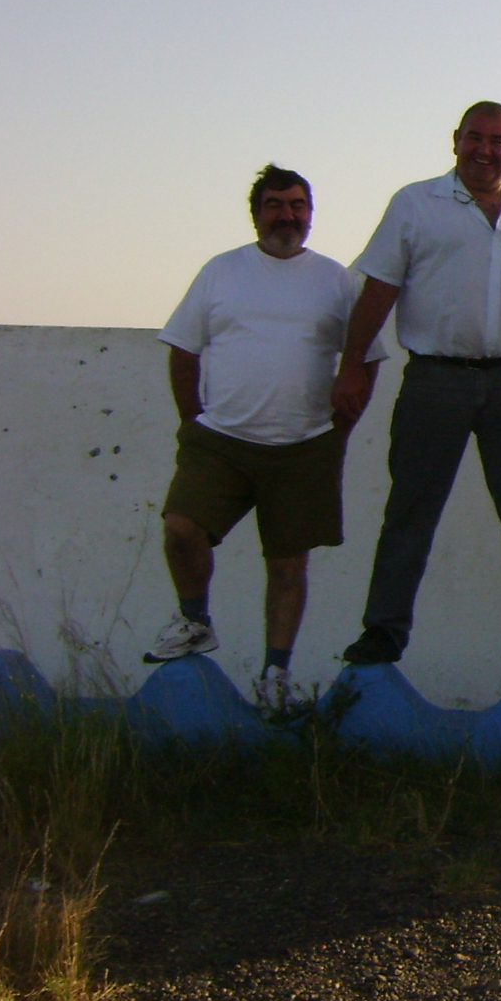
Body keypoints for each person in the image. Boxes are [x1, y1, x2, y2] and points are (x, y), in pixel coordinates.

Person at [331, 101, 501, 666]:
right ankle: (383, 632)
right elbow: (378, 291)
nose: (485, 150)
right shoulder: (415, 205)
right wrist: (349, 366)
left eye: (498, 141)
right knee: (411, 513)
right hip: (435, 380)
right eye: (475, 138)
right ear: (455, 140)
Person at [147, 166, 387, 691]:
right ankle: (193, 621)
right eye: (275, 204)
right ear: (256, 214)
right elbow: (184, 347)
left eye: (298, 205)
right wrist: (192, 422)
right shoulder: (221, 271)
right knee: (181, 530)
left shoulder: (337, 280)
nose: (287, 215)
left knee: (286, 567)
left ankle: (275, 674)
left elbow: (366, 358)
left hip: (304, 446)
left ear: (311, 215)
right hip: (221, 442)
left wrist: (341, 429)